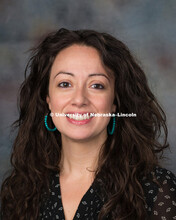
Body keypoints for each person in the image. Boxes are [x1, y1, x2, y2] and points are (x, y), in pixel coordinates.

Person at [0, 28, 176, 220]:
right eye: (65, 84)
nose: (79, 99)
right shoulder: (19, 191)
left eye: (96, 85)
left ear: (115, 102)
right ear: (48, 99)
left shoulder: (157, 189)